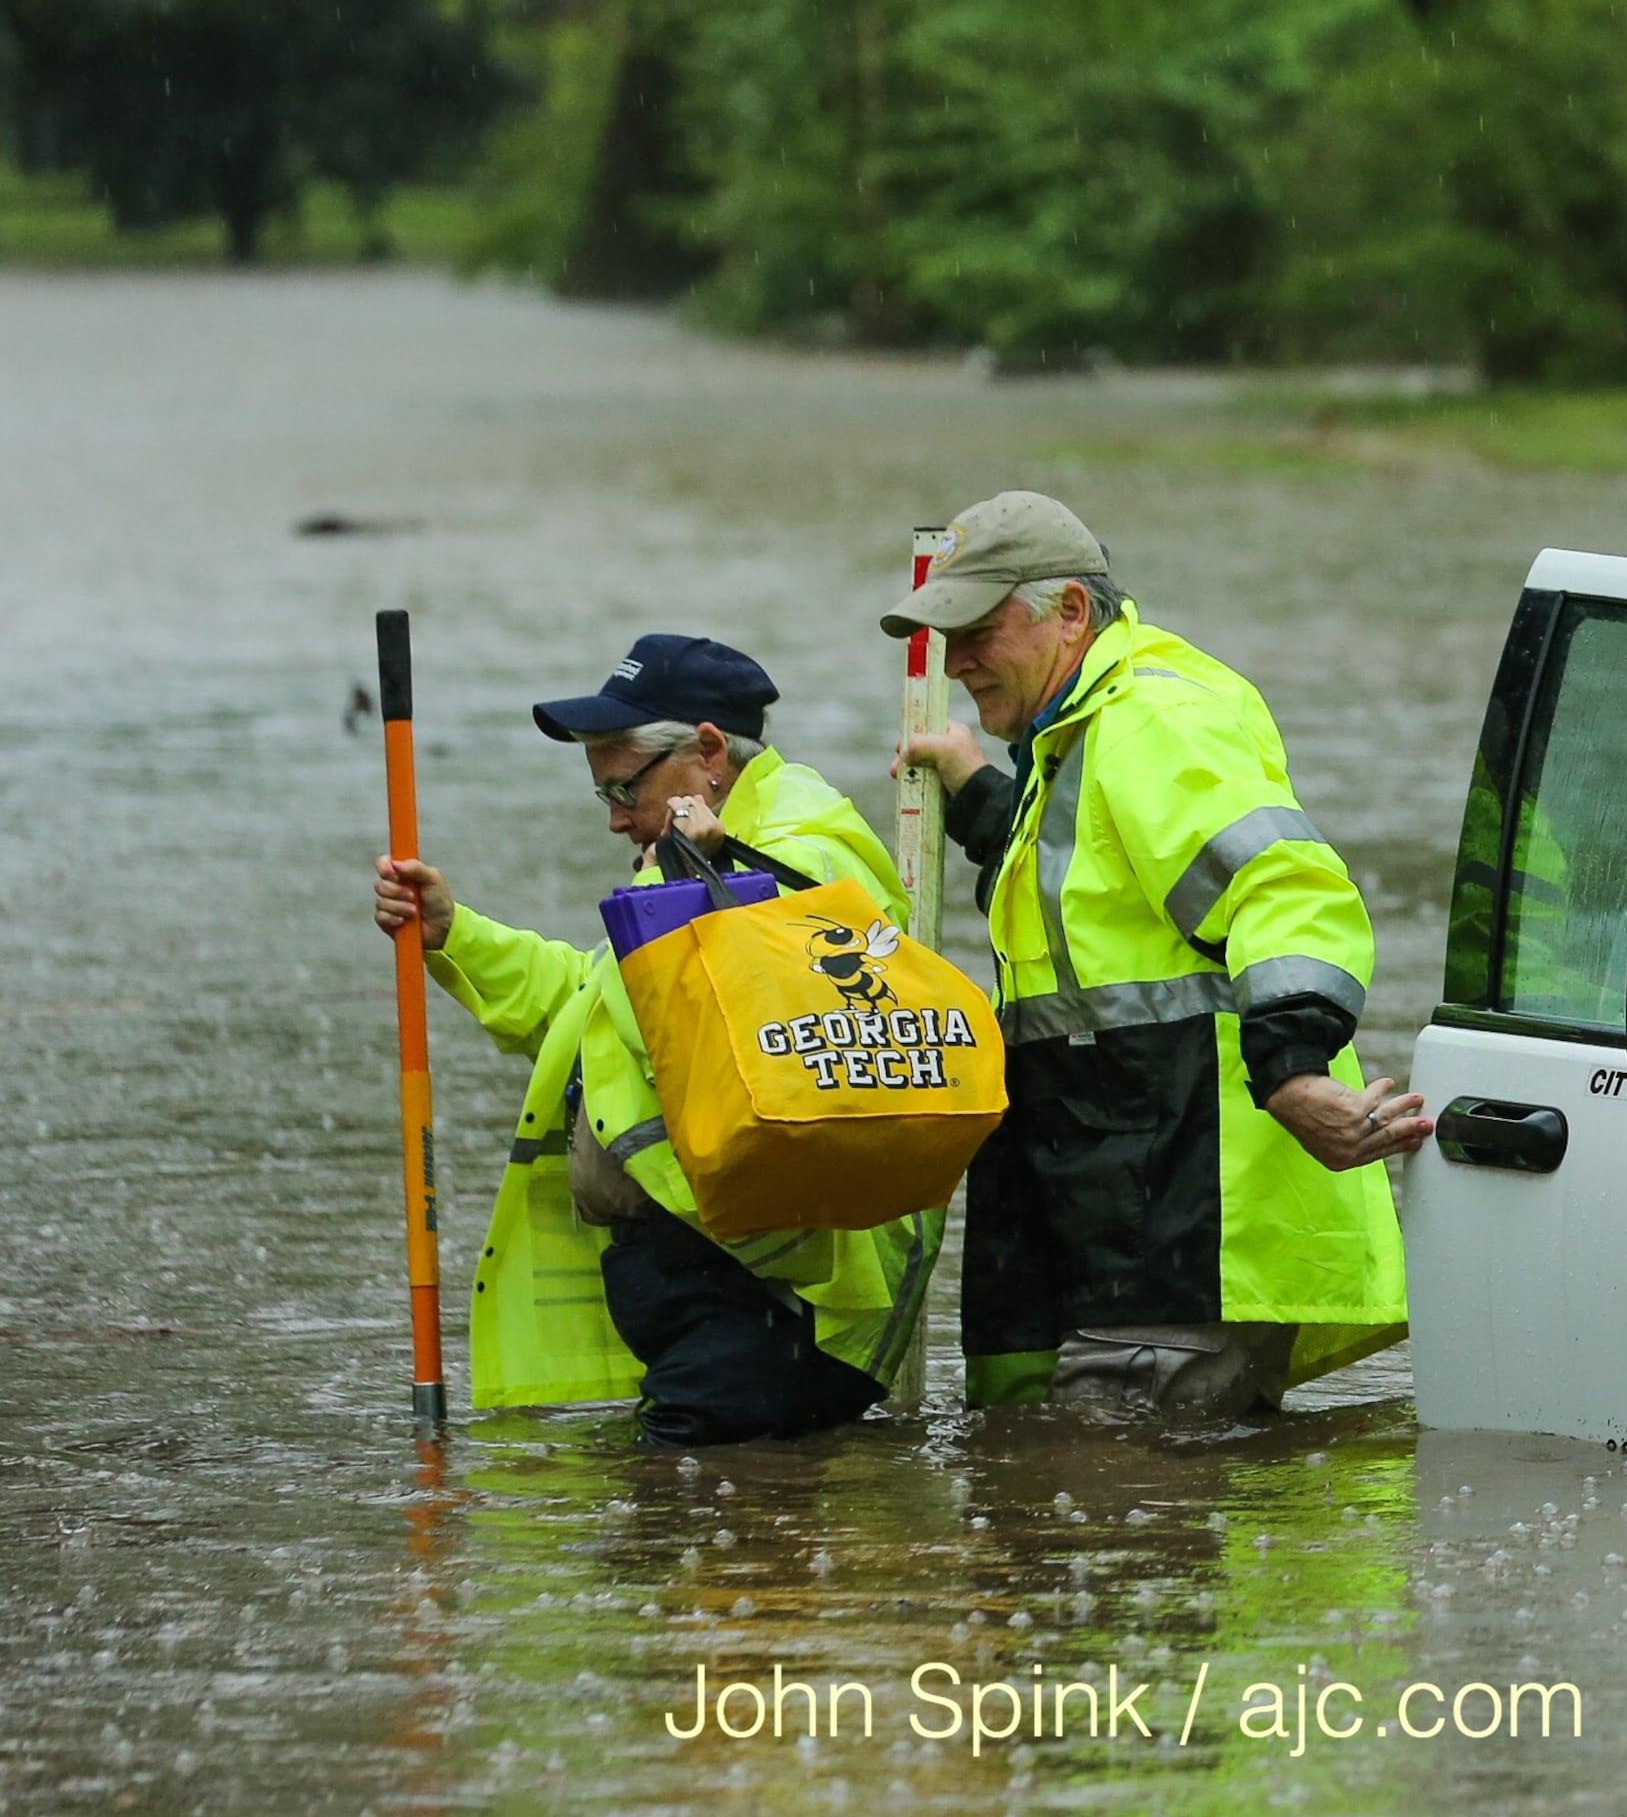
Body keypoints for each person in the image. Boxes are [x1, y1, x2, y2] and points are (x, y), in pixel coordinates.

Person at [885, 491, 1426, 1417]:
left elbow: (1289, 891)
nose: (958, 657)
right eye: (946, 633)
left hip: (1182, 1212)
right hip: (1109, 1200)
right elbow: (1096, 891)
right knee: (1083, 1519)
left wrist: (1293, 1066)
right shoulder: (1075, 736)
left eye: (979, 626)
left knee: (1127, 1514)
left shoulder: (1151, 720)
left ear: (1070, 613)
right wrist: (979, 796)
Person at [371, 636, 938, 1447]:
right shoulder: (678, 862)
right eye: (599, 789)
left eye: (622, 784)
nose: (612, 816)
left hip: (780, 1291)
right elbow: (589, 1013)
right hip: (703, 1276)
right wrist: (452, 934)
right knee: (690, 1524)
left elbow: (814, 940)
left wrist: (720, 872)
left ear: (709, 752)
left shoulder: (800, 838)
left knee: (679, 1514)